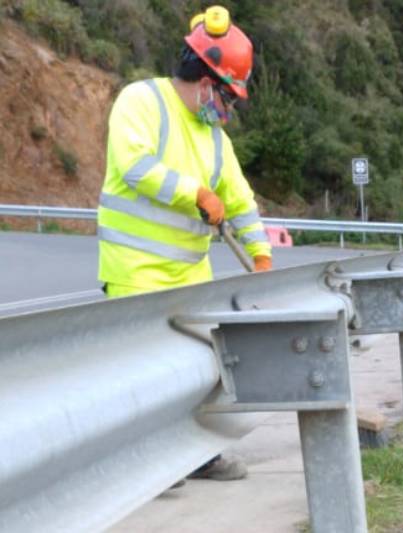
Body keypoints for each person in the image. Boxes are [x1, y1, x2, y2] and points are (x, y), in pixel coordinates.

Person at [96, 6, 271, 481]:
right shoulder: (141, 101)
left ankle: (196, 456)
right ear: (203, 78)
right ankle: (147, 466)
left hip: (191, 275)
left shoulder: (215, 139)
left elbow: (240, 202)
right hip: (135, 271)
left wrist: (260, 255)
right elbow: (133, 165)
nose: (226, 108)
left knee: (198, 373)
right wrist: (192, 192)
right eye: (225, 96)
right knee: (143, 376)